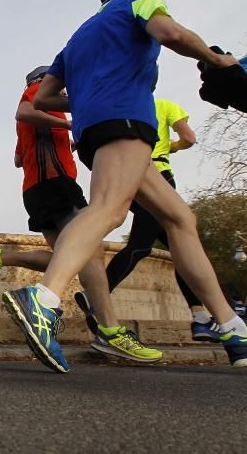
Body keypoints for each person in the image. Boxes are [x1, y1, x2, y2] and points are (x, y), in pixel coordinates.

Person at [3, 0, 247, 372]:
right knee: (109, 209)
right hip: (126, 123)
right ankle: (44, 300)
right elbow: (172, 35)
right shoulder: (138, 3)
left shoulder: (76, 40)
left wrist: (92, 96)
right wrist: (219, 60)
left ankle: (234, 330)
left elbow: (44, 98)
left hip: (100, 128)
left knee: (180, 218)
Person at [0, 66, 161, 363]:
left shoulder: (44, 118)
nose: (66, 91)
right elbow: (24, 111)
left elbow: (19, 158)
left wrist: (64, 140)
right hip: (56, 183)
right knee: (91, 251)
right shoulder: (36, 91)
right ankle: (109, 331)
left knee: (69, 257)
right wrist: (67, 125)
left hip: (36, 187)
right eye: (63, 86)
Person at [87, 97, 223, 342]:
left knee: (179, 245)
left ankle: (201, 317)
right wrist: (173, 146)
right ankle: (96, 296)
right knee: (141, 245)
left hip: (129, 176)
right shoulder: (167, 106)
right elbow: (189, 138)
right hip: (157, 176)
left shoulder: (128, 105)